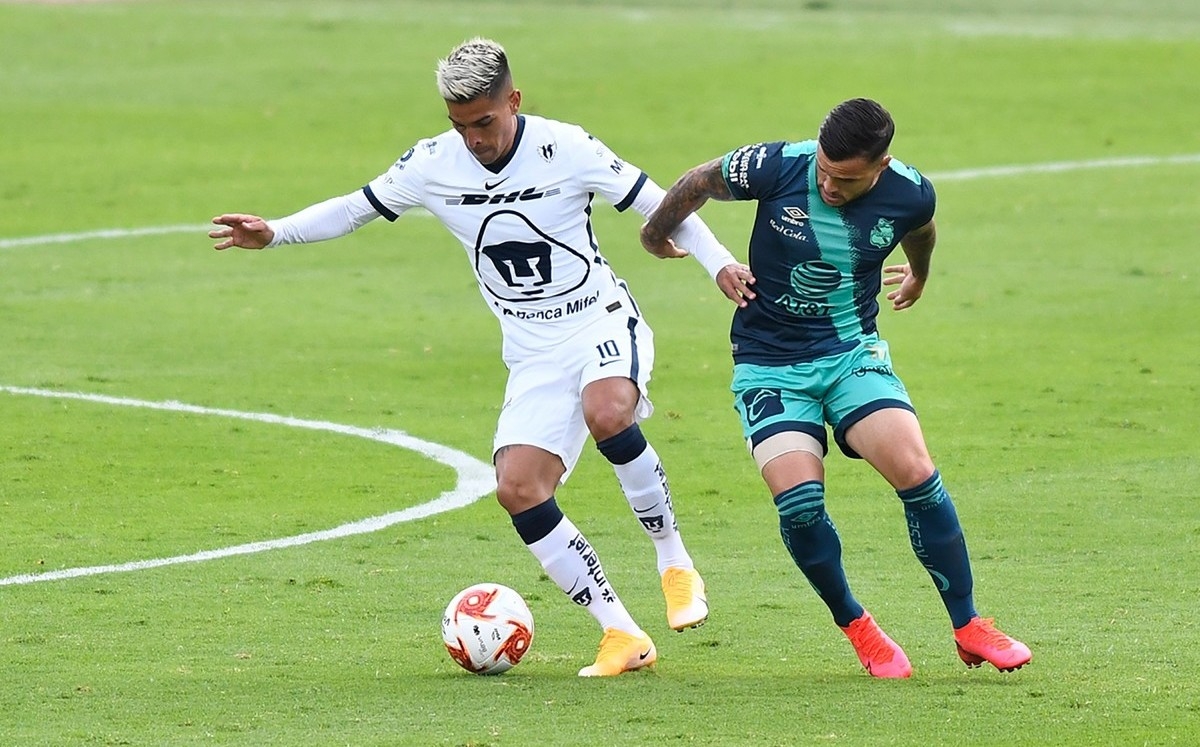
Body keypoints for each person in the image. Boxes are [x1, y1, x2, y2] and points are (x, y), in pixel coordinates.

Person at [210, 38, 750, 677]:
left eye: (484, 122)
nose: (473, 139)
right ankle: (621, 633)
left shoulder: (567, 147)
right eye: (460, 125)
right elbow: (355, 208)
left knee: (608, 412)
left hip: (599, 321)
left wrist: (719, 264)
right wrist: (275, 232)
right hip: (531, 353)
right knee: (517, 488)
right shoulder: (432, 163)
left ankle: (674, 561)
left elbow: (664, 204)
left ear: (513, 101)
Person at [639, 98, 1031, 678]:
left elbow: (921, 228)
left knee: (916, 472)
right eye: (824, 171)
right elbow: (698, 180)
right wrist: (655, 235)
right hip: (769, 363)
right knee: (800, 504)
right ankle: (858, 626)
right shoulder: (777, 165)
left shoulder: (909, 191)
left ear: (880, 166)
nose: (828, 186)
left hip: (850, 354)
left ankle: (969, 625)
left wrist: (919, 273)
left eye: (845, 179)